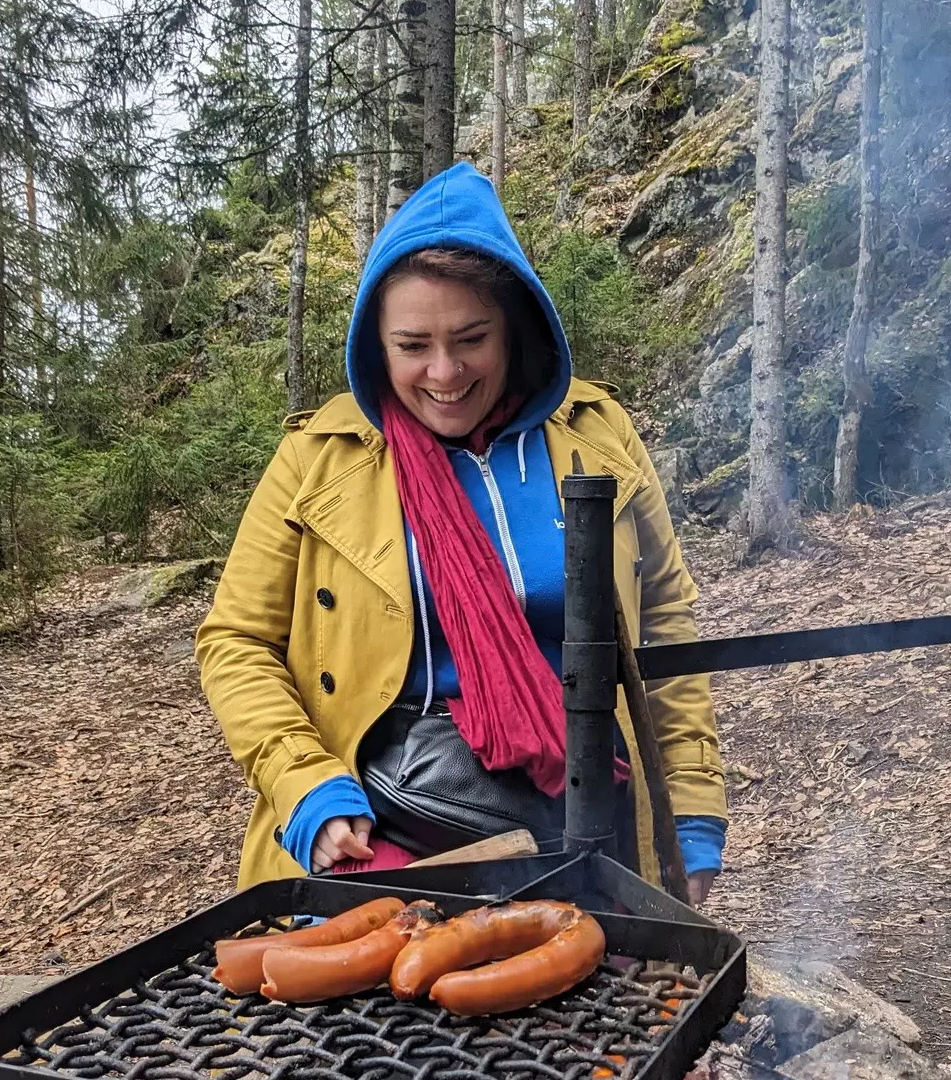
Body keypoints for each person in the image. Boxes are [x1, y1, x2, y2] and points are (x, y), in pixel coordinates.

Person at [196, 161, 727, 901]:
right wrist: (304, 785)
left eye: (470, 338)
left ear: (515, 328)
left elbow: (665, 629)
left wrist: (689, 809)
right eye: (412, 346)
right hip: (382, 821)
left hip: (585, 814)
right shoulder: (320, 458)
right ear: (375, 346)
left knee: (593, 999)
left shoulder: (595, 433)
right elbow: (237, 642)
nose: (443, 373)